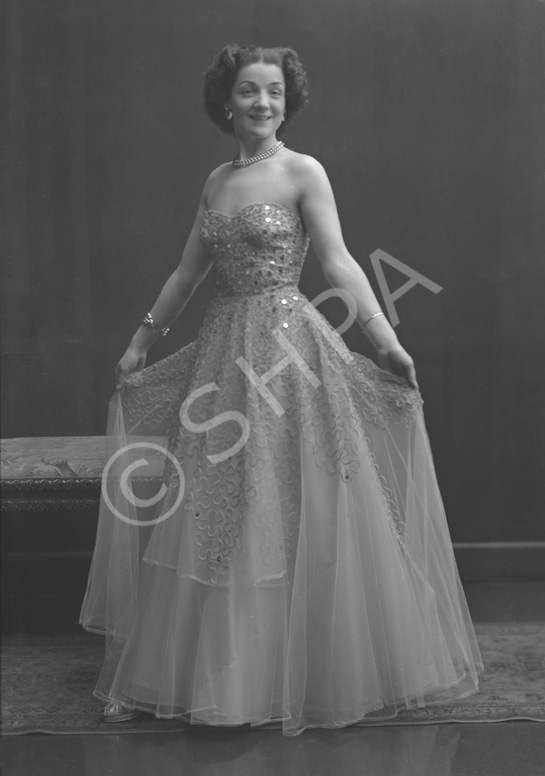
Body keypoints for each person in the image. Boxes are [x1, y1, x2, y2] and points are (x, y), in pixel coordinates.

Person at [80, 44, 483, 737]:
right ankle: (209, 677)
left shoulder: (303, 171)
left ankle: (305, 672)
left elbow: (338, 262)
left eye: (272, 92)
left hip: (289, 356)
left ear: (285, 101)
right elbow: (186, 274)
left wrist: (385, 342)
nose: (261, 103)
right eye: (247, 92)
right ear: (226, 102)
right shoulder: (214, 182)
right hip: (222, 357)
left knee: (290, 502)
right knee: (217, 510)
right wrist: (142, 338)